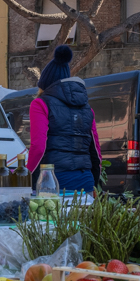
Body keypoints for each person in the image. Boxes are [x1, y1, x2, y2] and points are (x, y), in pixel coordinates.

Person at [25, 45, 101, 192]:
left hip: (53, 181)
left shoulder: (40, 104)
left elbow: (38, 147)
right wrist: (94, 180)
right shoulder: (87, 108)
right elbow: (96, 151)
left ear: (45, 84)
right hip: (85, 180)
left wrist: (26, 177)